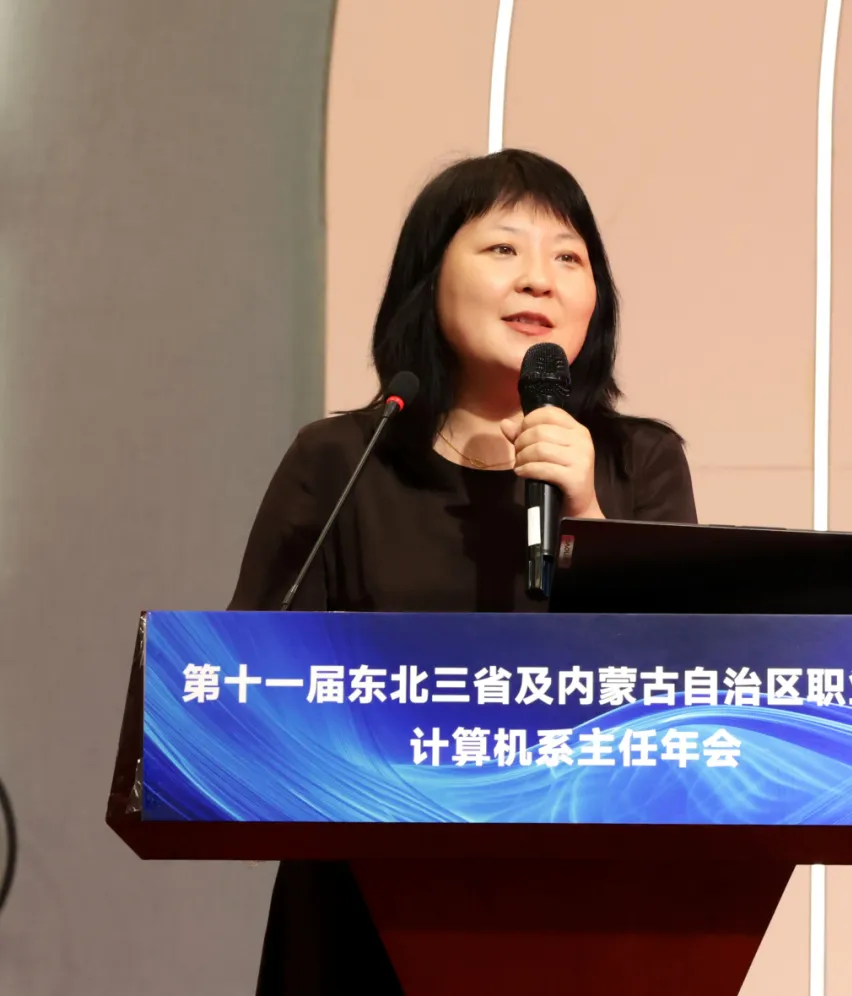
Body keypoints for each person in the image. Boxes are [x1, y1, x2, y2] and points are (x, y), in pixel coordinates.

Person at [228, 149, 697, 994]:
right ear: (428, 280)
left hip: (589, 905)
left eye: (569, 257)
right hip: (360, 907)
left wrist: (588, 515)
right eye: (503, 248)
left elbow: (688, 700)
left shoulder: (639, 463)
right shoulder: (343, 460)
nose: (539, 279)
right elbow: (245, 686)